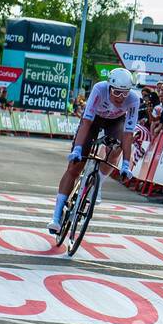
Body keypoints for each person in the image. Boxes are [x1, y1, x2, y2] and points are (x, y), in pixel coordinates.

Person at [49, 69, 139, 234]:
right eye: (117, 92)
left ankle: (96, 187)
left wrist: (126, 164)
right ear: (110, 87)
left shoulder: (133, 99)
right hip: (94, 120)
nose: (120, 97)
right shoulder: (99, 88)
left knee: (117, 147)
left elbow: (128, 133)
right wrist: (77, 149)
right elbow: (86, 123)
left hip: (115, 122)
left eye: (124, 93)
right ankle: (56, 216)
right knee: (75, 167)